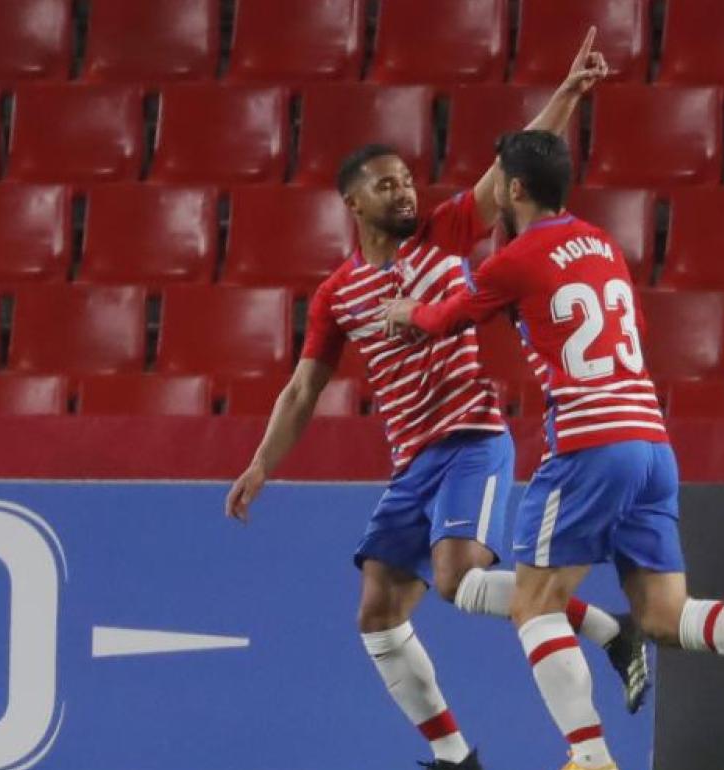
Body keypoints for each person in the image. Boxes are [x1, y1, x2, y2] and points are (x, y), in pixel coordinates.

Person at [380, 130, 724, 770]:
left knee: (535, 602)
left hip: (590, 444)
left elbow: (446, 319)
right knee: (666, 616)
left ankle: (589, 757)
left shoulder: (512, 261)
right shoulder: (603, 244)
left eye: (498, 177)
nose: (493, 187)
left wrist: (404, 313)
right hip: (650, 442)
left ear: (516, 189)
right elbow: (632, 332)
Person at [224, 31, 648, 770]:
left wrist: (570, 94)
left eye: (408, 181)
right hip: (410, 461)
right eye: (386, 185)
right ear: (352, 201)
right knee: (378, 616)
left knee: (455, 579)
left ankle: (610, 632)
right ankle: (455, 758)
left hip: (473, 438)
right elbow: (302, 389)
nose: (405, 193)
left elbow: (509, 171)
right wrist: (261, 465)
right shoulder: (337, 295)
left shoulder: (443, 234)